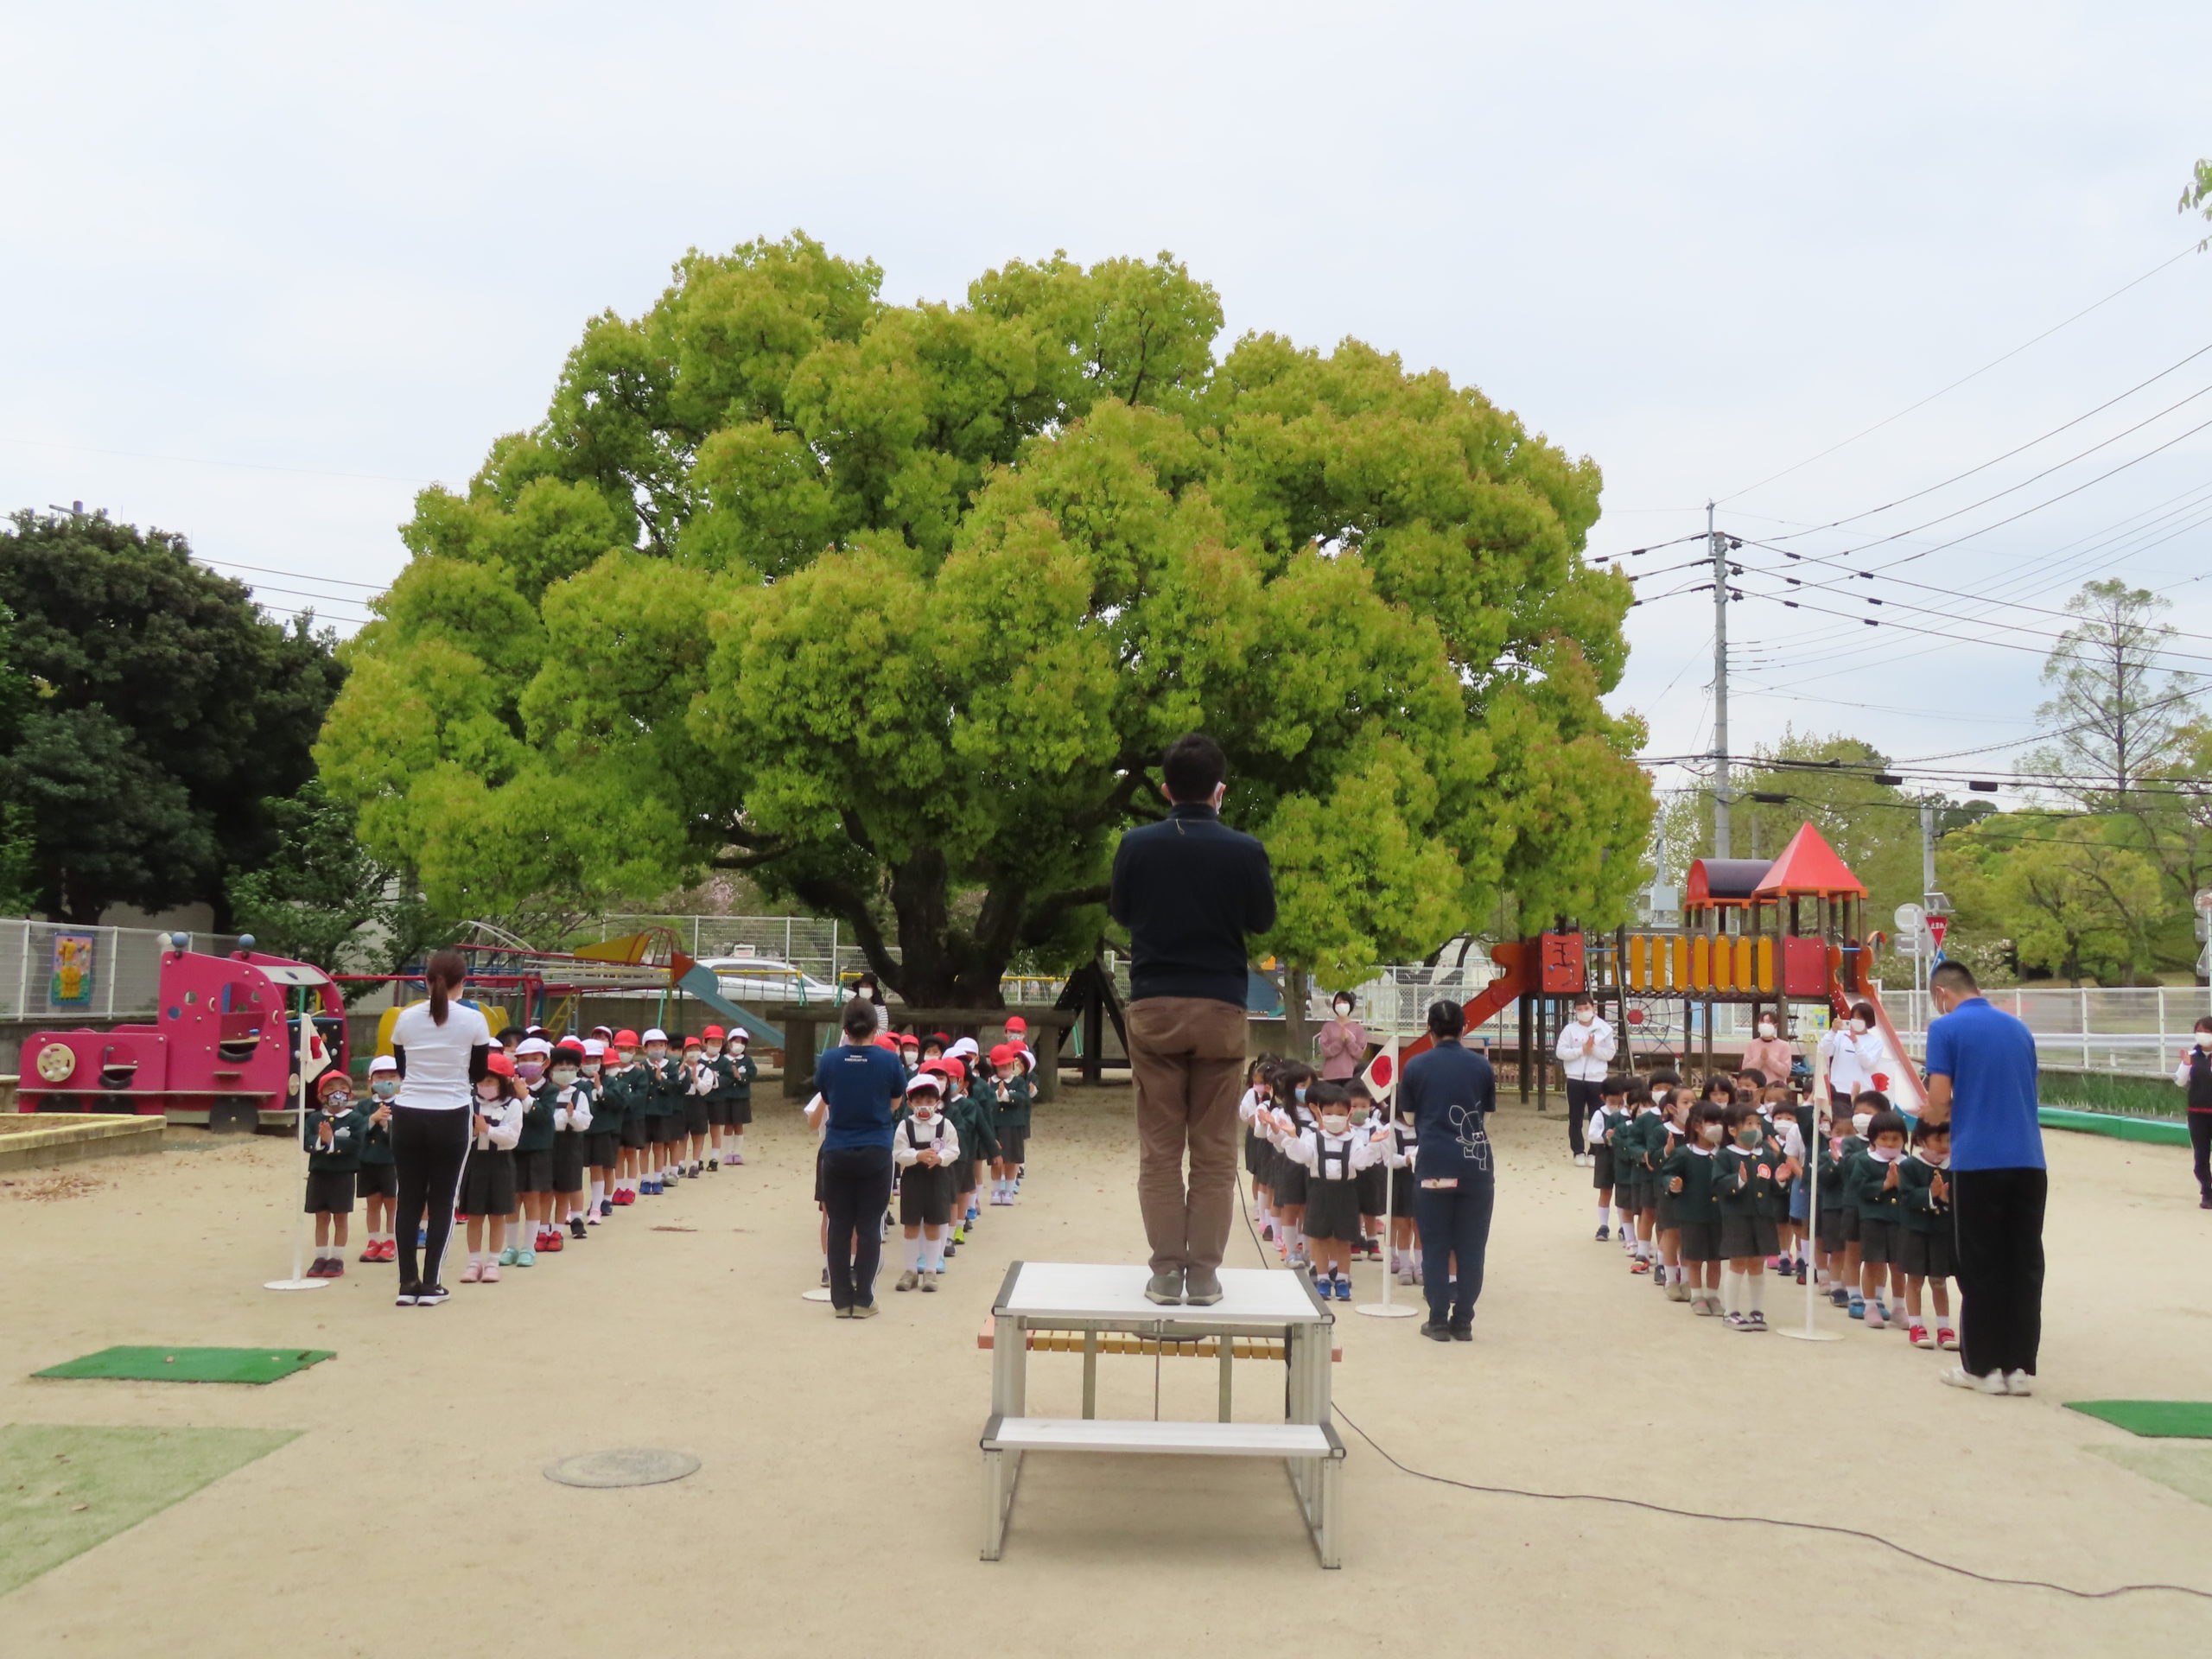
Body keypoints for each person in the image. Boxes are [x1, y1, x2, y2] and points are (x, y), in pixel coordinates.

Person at [1108, 731, 1277, 1307]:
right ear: (1219, 790)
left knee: (1159, 1150)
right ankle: (1203, 1276)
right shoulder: (1245, 850)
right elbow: (1261, 921)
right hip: (1220, 1008)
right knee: (1214, 1149)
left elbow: (1122, 911)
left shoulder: (1136, 845)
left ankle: (1164, 1274)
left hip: (1154, 1006)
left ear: (1165, 790)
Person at [1920, 959, 2044, 1397]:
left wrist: (1928, 1111)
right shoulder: (2019, 1029)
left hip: (1978, 1161)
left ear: (1942, 995)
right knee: (2022, 1263)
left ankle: (1983, 1367)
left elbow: (1939, 1100)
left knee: (1979, 1263)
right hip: (2029, 1159)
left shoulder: (1945, 1028)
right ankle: (2018, 1367)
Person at [387, 948, 493, 1307]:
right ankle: (431, 1283)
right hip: (451, 1112)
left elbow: (403, 1069)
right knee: (443, 1199)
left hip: (408, 1112)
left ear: (427, 981)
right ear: (463, 982)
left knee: (409, 1198)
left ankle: (407, 1283)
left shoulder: (405, 1018)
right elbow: (478, 1073)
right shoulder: (474, 1020)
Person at [1399, 998, 1496, 1344]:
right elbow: (1485, 1117)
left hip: (1435, 1161)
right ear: (1464, 1028)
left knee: (1436, 1244)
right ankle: (1464, 1320)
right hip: (1475, 1164)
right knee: (1472, 1245)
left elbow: (1409, 1117)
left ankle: (1438, 1319)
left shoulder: (1415, 1066)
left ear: (1430, 1029)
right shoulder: (1482, 1066)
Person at [810, 1000, 906, 1317]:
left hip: (837, 1148)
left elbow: (827, 1098)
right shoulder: (889, 1060)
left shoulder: (830, 1059)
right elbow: (896, 1103)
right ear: (876, 1029)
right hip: (876, 1148)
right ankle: (864, 1299)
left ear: (845, 1029)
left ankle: (841, 1301)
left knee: (838, 1224)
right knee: (869, 1226)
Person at [1275, 1081, 1376, 1301]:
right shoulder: (1313, 1138)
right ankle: (1322, 1278)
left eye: (1339, 1114)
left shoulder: (1355, 1140)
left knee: (1343, 1239)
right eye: (1329, 1113)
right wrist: (1292, 1137)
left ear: (1349, 1114)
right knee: (1319, 1238)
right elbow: (1301, 1156)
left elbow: (1360, 1163)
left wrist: (1373, 1146)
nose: (1334, 1118)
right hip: (1319, 1191)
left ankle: (1342, 1279)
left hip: (1346, 1193)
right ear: (1319, 1113)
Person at [1715, 1102, 1782, 1332]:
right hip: (1737, 1217)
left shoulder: (1767, 1156)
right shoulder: (1725, 1155)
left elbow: (1774, 1187)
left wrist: (1781, 1180)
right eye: (1749, 1124)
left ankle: (1756, 1311)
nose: (1755, 1128)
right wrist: (1739, 1181)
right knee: (1738, 1262)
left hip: (1763, 1216)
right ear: (1733, 1130)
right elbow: (1718, 1183)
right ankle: (1731, 1312)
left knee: (1757, 1263)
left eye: (1758, 1124)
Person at [460, 1054, 524, 1283]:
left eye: (490, 1081)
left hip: (501, 1163)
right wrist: (473, 1132)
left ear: (503, 1082)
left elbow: (512, 1137)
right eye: (481, 1081)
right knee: (475, 1215)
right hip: (475, 1162)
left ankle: (493, 1262)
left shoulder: (512, 1104)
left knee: (498, 1215)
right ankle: (474, 1262)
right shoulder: (470, 1103)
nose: (484, 1086)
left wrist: (487, 1129)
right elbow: (459, 1134)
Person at [892, 1072, 960, 1292]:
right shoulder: (905, 1126)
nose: (924, 1105)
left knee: (933, 1225)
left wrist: (940, 1158)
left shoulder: (945, 1125)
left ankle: (930, 1270)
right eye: (919, 1100)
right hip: (913, 1180)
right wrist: (917, 1156)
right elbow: (898, 1152)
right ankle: (910, 1271)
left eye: (930, 1101)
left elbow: (954, 1149)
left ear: (938, 1102)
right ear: (910, 1103)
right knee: (911, 1225)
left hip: (938, 1179)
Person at [1660, 1101, 1726, 1317]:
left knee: (1716, 1260)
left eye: (1719, 1122)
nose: (1717, 1127)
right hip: (1692, 1214)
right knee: (1694, 1258)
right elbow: (1666, 1174)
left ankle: (1713, 1296)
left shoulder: (1724, 1153)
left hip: (1719, 1216)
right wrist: (1673, 1185)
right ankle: (1697, 1295)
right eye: (1712, 1122)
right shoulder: (1683, 1153)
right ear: (1697, 1126)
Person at [302, 1071, 370, 1279]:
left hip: (343, 1175)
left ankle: (337, 1258)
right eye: (330, 1089)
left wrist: (332, 1141)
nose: (336, 1093)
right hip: (319, 1174)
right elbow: (306, 1141)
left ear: (350, 1094)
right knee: (321, 1216)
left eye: (342, 1088)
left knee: (340, 1216)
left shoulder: (356, 1119)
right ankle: (320, 1257)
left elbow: (357, 1143)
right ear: (321, 1095)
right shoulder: (314, 1118)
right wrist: (320, 1140)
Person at [1897, 1118, 1958, 1351]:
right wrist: (1930, 1195)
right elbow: (1905, 1198)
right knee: (1915, 1280)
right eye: (1938, 1140)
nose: (1944, 1146)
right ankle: (1916, 1325)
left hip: (1942, 1233)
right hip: (1915, 1231)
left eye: (1948, 1140)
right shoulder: (1909, 1166)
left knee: (1939, 1280)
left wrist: (1946, 1199)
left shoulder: (1954, 1167)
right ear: (1922, 1141)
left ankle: (1944, 1327)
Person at [1554, 993, 1615, 1166]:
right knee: (1575, 1117)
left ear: (1593, 1007)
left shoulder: (1604, 1029)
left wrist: (1593, 1048)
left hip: (1597, 1079)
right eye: (1579, 1009)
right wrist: (1581, 1050)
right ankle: (1578, 1151)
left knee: (1597, 1116)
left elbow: (1610, 1054)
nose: (1583, 1012)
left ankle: (1594, 1152)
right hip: (1575, 1079)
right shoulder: (1570, 1029)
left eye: (1586, 1008)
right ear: (1575, 1011)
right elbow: (1561, 1052)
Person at [355, 1056, 400, 1262]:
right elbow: (355, 1129)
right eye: (380, 1077)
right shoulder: (363, 1105)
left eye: (392, 1076)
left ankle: (392, 1241)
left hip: (393, 1162)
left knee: (392, 1202)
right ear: (371, 1081)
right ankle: (373, 1241)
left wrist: (387, 1125)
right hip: (368, 1161)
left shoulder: (403, 1104)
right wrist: (372, 1119)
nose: (386, 1081)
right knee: (372, 1202)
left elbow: (406, 1134)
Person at [549, 1040, 594, 1241]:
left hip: (570, 1144)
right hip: (548, 1144)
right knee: (548, 1187)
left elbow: (585, 1121)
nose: (565, 1071)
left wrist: (572, 1115)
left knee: (573, 1183)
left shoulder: (579, 1094)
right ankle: (545, 1226)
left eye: (570, 1067)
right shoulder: (546, 1094)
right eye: (560, 1067)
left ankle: (576, 1218)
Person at [2170, 1015, 2212, 1209]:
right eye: (2199, 1031)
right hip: (2197, 1114)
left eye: (2207, 1031)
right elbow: (2180, 1081)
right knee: (2201, 1156)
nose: (2202, 1035)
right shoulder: (2191, 1055)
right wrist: (2186, 1064)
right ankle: (2207, 1192)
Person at [986, 1043, 1033, 1205]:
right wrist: (996, 1095)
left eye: (1008, 1065)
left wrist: (1007, 1096)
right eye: (1001, 1066)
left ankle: (1009, 1191)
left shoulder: (1018, 1081)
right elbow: (986, 1101)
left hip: (1014, 1126)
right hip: (995, 1126)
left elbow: (1023, 1098)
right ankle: (996, 1190)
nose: (1005, 1068)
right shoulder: (989, 1082)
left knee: (1012, 1160)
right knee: (996, 1159)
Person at [1316, 993, 1367, 1084]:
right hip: (1331, 1075)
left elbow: (1359, 1053)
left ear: (1350, 1005)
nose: (1342, 1005)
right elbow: (1325, 1051)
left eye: (1345, 1002)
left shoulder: (1358, 1028)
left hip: (1351, 1074)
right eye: (1338, 1002)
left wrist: (1348, 1040)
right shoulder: (1327, 1027)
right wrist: (1340, 1041)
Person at [1740, 1014, 1795, 1094]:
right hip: (1756, 1091)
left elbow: (1786, 1072)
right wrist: (1760, 1059)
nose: (1765, 1024)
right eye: (1762, 1022)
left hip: (1776, 1090)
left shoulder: (1784, 1045)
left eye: (1768, 1022)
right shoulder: (1751, 1044)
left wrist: (1768, 1059)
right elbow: (1745, 1070)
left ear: (1776, 1025)